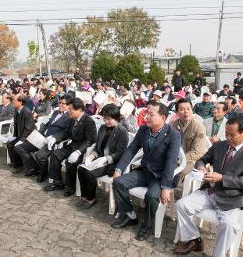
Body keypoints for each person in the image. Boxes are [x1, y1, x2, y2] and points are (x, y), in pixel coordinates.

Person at [174, 117, 243, 257]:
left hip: (231, 197)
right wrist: (202, 166)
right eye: (226, 133)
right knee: (181, 205)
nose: (228, 137)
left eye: (232, 134)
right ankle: (194, 239)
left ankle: (218, 254)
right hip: (209, 191)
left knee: (229, 225)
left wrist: (222, 178)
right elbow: (202, 159)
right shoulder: (219, 146)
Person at [111, 101, 180, 241]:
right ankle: (131, 215)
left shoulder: (173, 134)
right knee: (118, 182)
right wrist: (119, 168)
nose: (146, 116)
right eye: (147, 113)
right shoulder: (143, 130)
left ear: (163, 117)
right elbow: (131, 149)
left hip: (160, 176)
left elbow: (171, 162)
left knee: (151, 196)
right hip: (145, 171)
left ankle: (147, 225)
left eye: (151, 114)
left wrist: (166, 186)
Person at [76, 104, 129, 209]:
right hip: (99, 159)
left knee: (89, 173)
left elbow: (120, 153)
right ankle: (84, 196)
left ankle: (91, 199)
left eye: (109, 119)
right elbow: (98, 146)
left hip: (111, 163)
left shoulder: (122, 132)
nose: (106, 121)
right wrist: (91, 156)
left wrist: (105, 159)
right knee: (81, 168)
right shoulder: (102, 128)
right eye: (105, 118)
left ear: (116, 118)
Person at [44, 98, 97, 196]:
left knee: (70, 162)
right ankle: (57, 182)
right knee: (55, 154)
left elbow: (89, 140)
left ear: (79, 110)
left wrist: (78, 152)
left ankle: (70, 186)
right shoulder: (72, 119)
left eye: (71, 109)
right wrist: (55, 138)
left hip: (82, 150)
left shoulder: (89, 121)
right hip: (71, 146)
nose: (69, 111)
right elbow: (66, 133)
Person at [13, 95, 72, 180]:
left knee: (40, 156)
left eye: (63, 104)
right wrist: (38, 132)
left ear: (69, 106)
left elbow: (65, 133)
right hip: (41, 138)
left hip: (51, 141)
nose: (60, 105)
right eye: (59, 103)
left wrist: (54, 137)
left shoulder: (69, 117)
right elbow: (46, 124)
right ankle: (35, 168)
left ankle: (43, 174)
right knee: (19, 147)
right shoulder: (55, 112)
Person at [172, 99, 207, 178]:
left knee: (179, 174)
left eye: (188, 109)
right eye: (182, 109)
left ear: (192, 110)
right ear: (177, 112)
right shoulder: (174, 124)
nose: (186, 111)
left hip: (192, 160)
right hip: (175, 157)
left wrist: (179, 160)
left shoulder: (198, 127)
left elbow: (197, 152)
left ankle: (175, 190)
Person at [7, 94, 36, 174]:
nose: (13, 101)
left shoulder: (27, 112)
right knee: (10, 143)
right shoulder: (17, 110)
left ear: (21, 102)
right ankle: (17, 164)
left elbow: (28, 129)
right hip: (20, 135)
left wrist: (22, 140)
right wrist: (15, 136)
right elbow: (16, 125)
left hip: (29, 137)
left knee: (17, 145)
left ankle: (28, 167)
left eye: (14, 100)